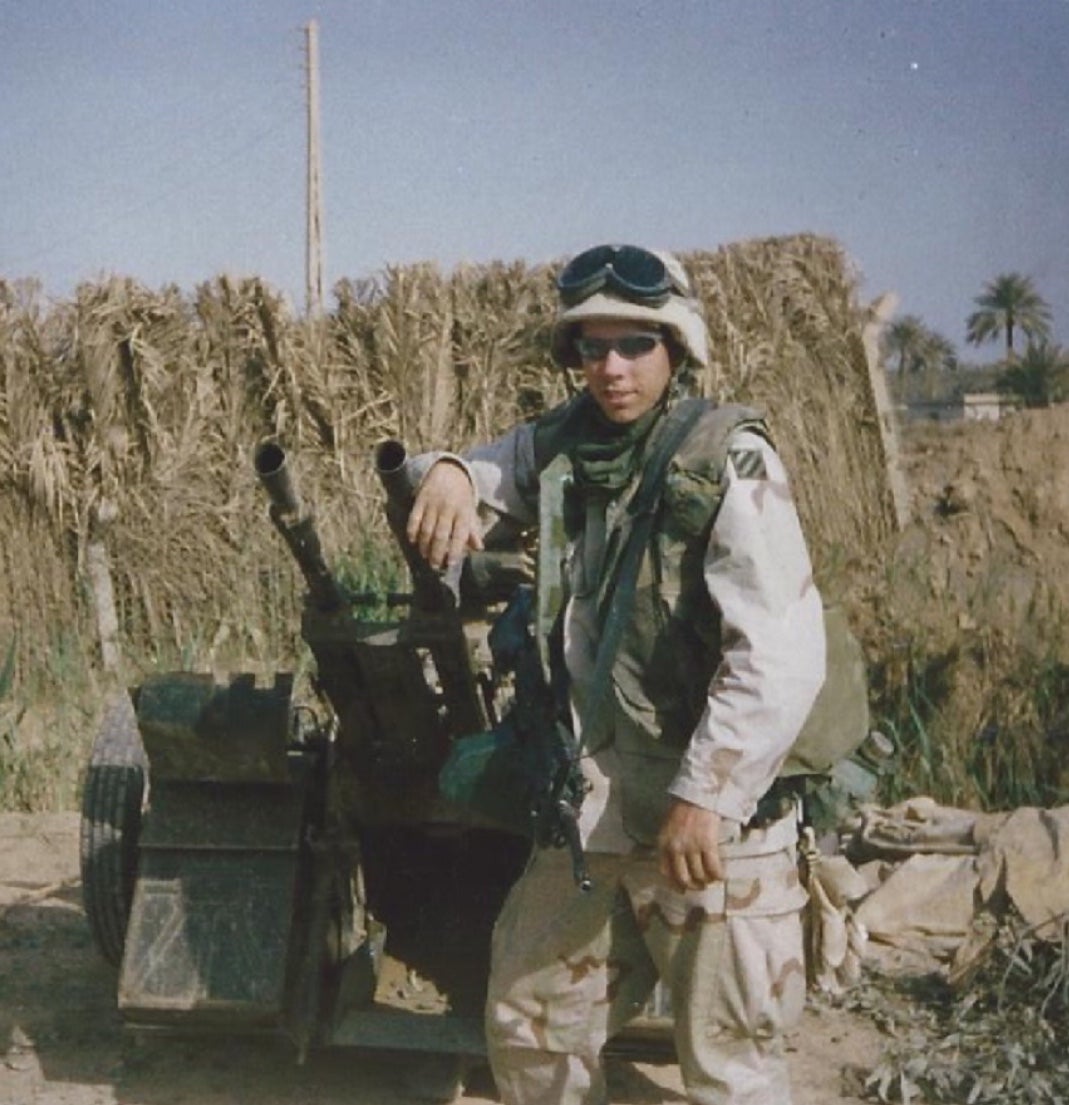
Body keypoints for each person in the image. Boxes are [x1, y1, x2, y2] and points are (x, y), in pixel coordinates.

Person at [404, 243, 826, 1104]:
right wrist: (448, 470)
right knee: (529, 1030)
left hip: (714, 821)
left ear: (676, 348)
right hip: (594, 812)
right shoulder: (563, 443)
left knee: (729, 1067)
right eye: (592, 346)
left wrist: (708, 793)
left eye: (635, 343)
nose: (611, 367)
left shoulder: (728, 459)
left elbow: (780, 650)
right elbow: (493, 470)